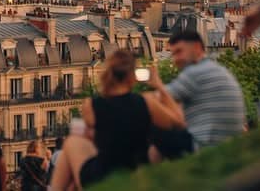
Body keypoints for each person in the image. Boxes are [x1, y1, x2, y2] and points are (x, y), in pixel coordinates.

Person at [49, 49, 185, 190]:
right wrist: (159, 86)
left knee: (72, 143)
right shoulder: (146, 103)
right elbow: (178, 121)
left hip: (103, 175)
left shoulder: (91, 105)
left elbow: (89, 135)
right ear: (132, 77)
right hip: (136, 175)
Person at [147, 30, 245, 161]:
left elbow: (153, 101)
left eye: (179, 52)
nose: (176, 59)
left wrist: (156, 85)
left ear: (197, 48)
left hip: (204, 145)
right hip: (226, 144)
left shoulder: (195, 72)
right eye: (173, 54)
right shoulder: (216, 69)